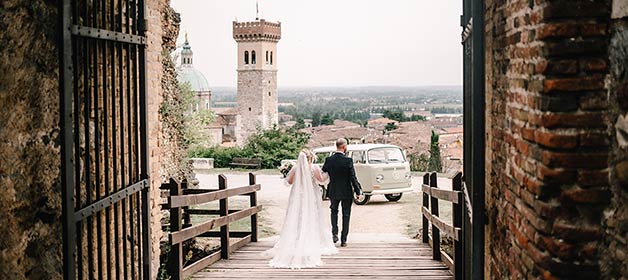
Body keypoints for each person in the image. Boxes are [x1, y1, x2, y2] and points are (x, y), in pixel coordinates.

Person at [265, 149, 338, 269]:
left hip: (298, 195)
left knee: (297, 216)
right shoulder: (314, 168)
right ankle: (312, 239)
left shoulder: (295, 168)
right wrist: (327, 174)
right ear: (310, 158)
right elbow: (321, 180)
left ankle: (297, 239)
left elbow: (289, 181)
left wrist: (286, 173)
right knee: (312, 215)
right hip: (311, 195)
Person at [322, 138, 363, 247]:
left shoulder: (328, 160)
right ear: (344, 147)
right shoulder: (348, 161)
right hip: (346, 191)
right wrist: (358, 191)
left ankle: (334, 233)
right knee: (346, 214)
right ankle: (343, 239)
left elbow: (323, 173)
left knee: (333, 211)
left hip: (333, 190)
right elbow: (352, 177)